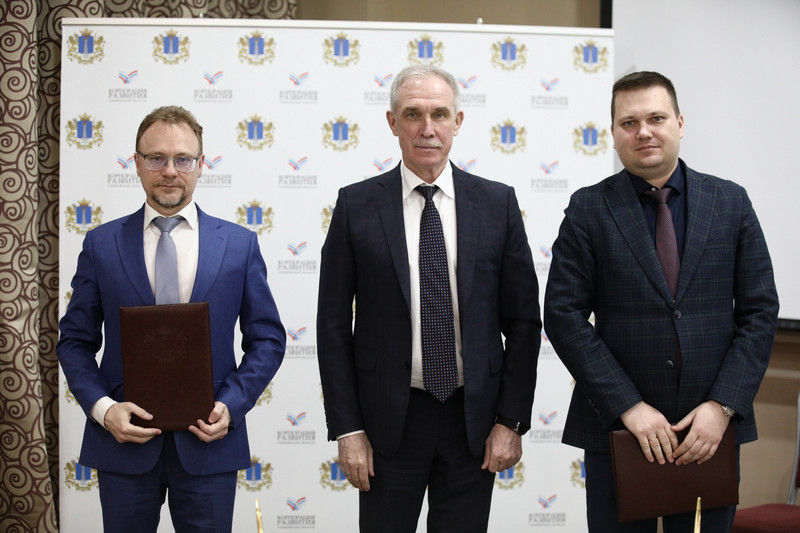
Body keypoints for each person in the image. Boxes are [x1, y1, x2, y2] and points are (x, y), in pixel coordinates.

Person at [544, 71, 779, 532]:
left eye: (656, 118)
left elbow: (760, 311)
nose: (643, 132)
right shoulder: (589, 209)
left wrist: (722, 406)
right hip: (619, 431)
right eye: (629, 123)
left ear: (680, 123)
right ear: (614, 133)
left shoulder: (730, 202)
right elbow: (563, 314)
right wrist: (628, 406)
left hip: (708, 434)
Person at [316, 64, 541, 532]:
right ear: (392, 122)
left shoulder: (497, 204)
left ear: (458, 122)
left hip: (473, 421)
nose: (427, 128)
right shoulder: (357, 205)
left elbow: (523, 322)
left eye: (439, 114)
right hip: (387, 423)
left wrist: (511, 421)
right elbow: (333, 327)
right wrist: (348, 428)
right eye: (412, 114)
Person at [57, 106, 286, 532]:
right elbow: (74, 341)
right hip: (122, 445)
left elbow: (268, 340)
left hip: (210, 444)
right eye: (156, 158)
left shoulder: (238, 245)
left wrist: (231, 406)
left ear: (201, 164)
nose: (169, 171)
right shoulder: (101, 244)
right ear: (136, 163)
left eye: (183, 159)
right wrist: (104, 410)